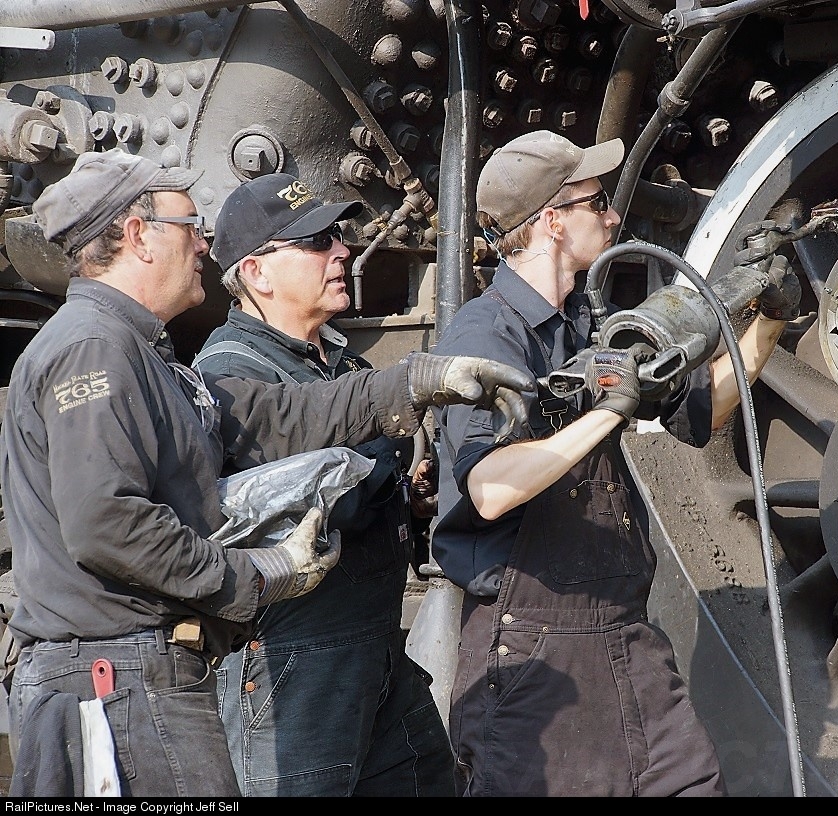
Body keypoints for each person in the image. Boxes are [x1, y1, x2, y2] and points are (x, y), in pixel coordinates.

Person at [0, 149, 534, 797]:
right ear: (138, 236)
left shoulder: (141, 353)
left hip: (144, 671)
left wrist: (418, 381)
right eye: (189, 225)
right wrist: (255, 575)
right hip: (115, 677)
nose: (203, 244)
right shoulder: (95, 349)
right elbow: (108, 524)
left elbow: (271, 414)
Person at [431, 130, 803, 796]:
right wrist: (608, 411)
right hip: (534, 659)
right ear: (551, 221)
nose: (612, 217)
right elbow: (490, 487)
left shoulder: (588, 319)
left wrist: (769, 317)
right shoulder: (486, 334)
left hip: (627, 637)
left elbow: (701, 413)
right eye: (596, 201)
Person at [193, 173, 455, 796]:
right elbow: (302, 497)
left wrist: (408, 498)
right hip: (295, 663)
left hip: (375, 652)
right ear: (256, 273)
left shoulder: (340, 363)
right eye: (315, 241)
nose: (341, 251)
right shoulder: (228, 375)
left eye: (338, 235)